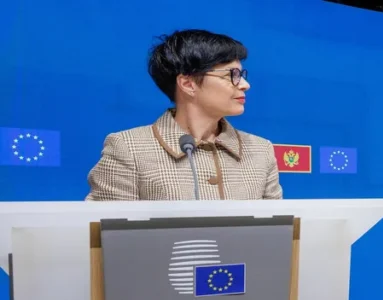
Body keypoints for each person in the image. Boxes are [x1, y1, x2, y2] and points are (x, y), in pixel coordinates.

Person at [86, 29, 282, 201]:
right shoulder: (128, 149)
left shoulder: (260, 151)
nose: (245, 85)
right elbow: (109, 230)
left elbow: (278, 229)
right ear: (188, 84)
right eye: (232, 75)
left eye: (241, 75)